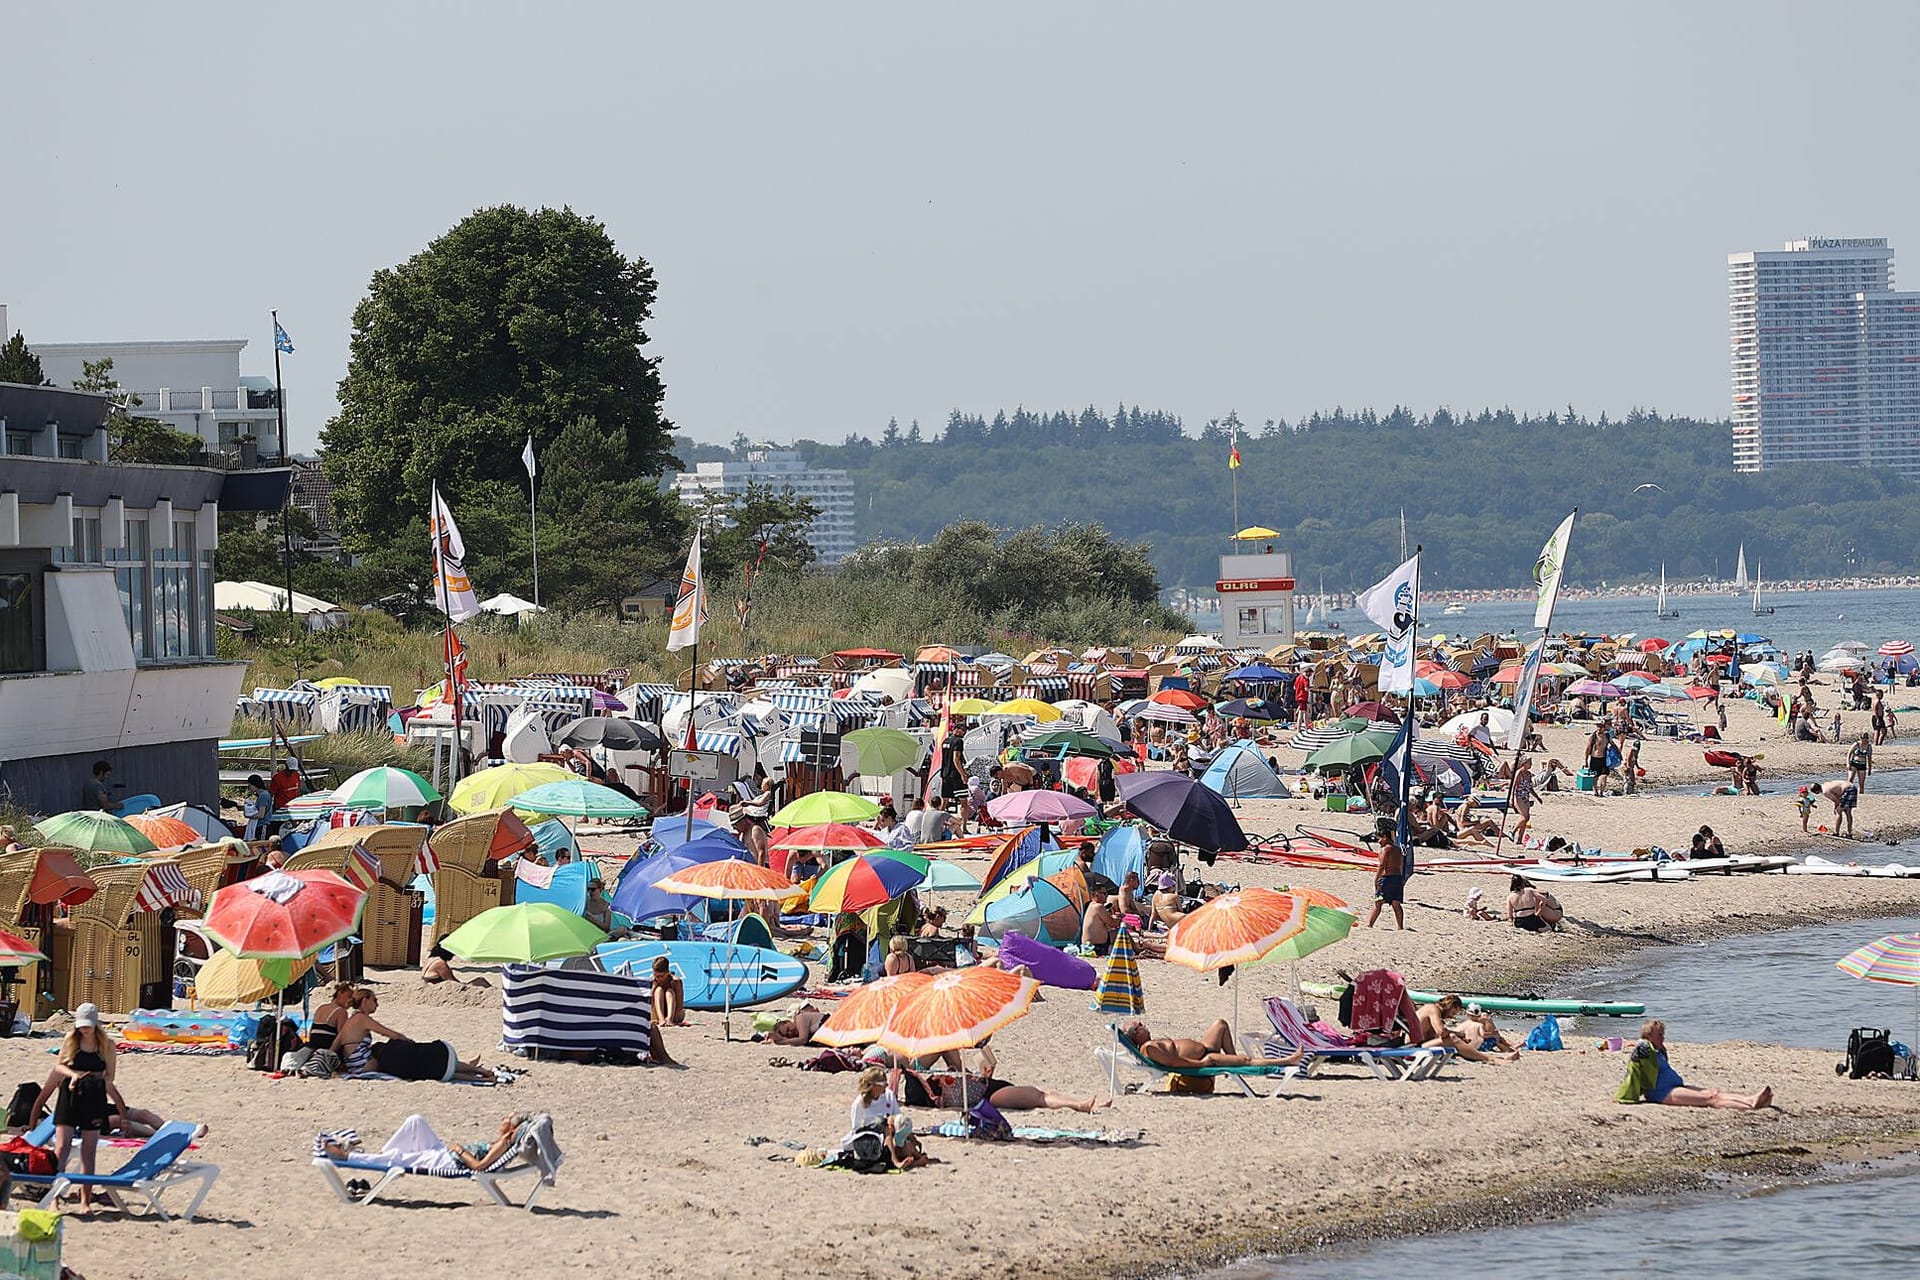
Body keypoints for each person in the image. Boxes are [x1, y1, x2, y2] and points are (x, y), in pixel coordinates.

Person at [45, 1004, 126, 1211]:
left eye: (88, 1026)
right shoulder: (71, 1039)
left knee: (88, 1152)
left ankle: (85, 1201)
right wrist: (74, 1075)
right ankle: (53, 1199)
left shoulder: (107, 1044)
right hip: (70, 1094)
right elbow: (59, 1065)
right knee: (61, 1148)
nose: (85, 1030)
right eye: (82, 1026)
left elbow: (111, 1076)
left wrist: (93, 1079)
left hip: (94, 1095)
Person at [1616, 1020, 1771, 1109]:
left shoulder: (1659, 1051)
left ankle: (1750, 1099)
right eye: (1659, 1035)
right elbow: (1633, 1070)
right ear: (1649, 1036)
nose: (1663, 1037)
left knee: (1713, 1092)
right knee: (1710, 1099)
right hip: (1662, 1093)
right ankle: (1750, 1107)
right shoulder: (1644, 1050)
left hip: (1675, 1086)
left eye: (1663, 1034)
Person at [1121, 1019, 1299, 1069]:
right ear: (1137, 1033)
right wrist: (1200, 1064)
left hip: (1204, 1048)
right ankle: (1288, 1061)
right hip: (1206, 1058)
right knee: (1247, 1060)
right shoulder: (1149, 1048)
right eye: (1140, 1025)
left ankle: (1232, 1060)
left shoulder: (1150, 1045)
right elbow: (1174, 1063)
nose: (1144, 1025)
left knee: (1220, 1024)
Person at [846, 1066, 923, 1170]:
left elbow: (899, 1119)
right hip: (868, 1140)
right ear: (873, 1086)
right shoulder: (860, 1103)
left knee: (901, 1128)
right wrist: (881, 1126)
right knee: (885, 1123)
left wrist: (912, 1137)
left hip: (890, 1137)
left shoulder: (888, 1095)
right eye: (883, 1084)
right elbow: (857, 1129)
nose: (886, 1085)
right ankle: (895, 1161)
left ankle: (916, 1158)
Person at [1416, 995, 1519, 1063]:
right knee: (1452, 1038)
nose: (1451, 1017)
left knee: (1453, 1040)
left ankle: (1495, 1058)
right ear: (1449, 1006)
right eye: (1453, 1013)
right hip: (1412, 1048)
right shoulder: (1432, 1009)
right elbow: (1441, 1032)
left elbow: (1435, 1035)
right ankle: (1490, 1059)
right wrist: (1458, 1035)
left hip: (1418, 1045)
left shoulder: (1431, 1011)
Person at [1366, 818, 1406, 931]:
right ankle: (1400, 926)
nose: (1378, 841)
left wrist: (1376, 880)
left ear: (1384, 838)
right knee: (1396, 903)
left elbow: (1382, 866)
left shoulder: (1386, 849)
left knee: (1378, 903)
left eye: (1379, 839)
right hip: (1398, 879)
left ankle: (1369, 924)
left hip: (1387, 878)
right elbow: (1401, 865)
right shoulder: (1398, 849)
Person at [422, 943, 489, 988]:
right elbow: (453, 983)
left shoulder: (430, 959)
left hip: (431, 985)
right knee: (480, 980)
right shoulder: (441, 963)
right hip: (439, 988)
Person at [1081, 886, 1121, 956]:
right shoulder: (1098, 907)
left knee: (1114, 932)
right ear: (1097, 894)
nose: (1107, 896)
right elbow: (1113, 924)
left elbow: (1107, 924)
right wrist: (1119, 918)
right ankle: (1137, 949)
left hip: (1089, 946)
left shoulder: (1091, 905)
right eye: (1105, 893)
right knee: (1120, 932)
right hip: (1095, 948)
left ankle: (1137, 948)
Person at [651, 956, 686, 1027]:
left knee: (669, 992)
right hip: (658, 1013)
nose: (658, 979)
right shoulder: (653, 981)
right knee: (659, 990)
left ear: (667, 973)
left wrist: (672, 1018)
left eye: (661, 976)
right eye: (656, 976)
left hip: (674, 1013)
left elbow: (680, 1005)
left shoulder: (676, 981)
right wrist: (653, 988)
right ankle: (661, 1019)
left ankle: (669, 1019)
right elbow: (650, 1003)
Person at [1510, 758, 1538, 847]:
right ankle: (1513, 830)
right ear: (1524, 763)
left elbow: (1530, 787)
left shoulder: (1529, 774)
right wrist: (1511, 798)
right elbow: (1513, 786)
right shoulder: (1519, 773)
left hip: (1526, 796)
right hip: (1518, 796)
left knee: (1525, 818)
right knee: (1525, 816)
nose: (1531, 765)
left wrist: (1537, 797)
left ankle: (1519, 839)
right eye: (1529, 763)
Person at [1584, 724, 1613, 797]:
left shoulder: (1607, 736)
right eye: (1598, 727)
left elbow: (1613, 744)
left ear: (1604, 728)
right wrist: (1586, 761)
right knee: (1595, 777)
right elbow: (1587, 749)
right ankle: (1596, 791)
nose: (1599, 728)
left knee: (1604, 776)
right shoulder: (1593, 737)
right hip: (1594, 758)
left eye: (1601, 727)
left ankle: (1602, 792)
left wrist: (1618, 754)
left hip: (1604, 759)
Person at [243, 774, 274, 841]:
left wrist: (249, 816)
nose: (249, 788)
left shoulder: (263, 796)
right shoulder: (262, 795)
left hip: (263, 825)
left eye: (250, 785)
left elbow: (261, 814)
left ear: (254, 785)